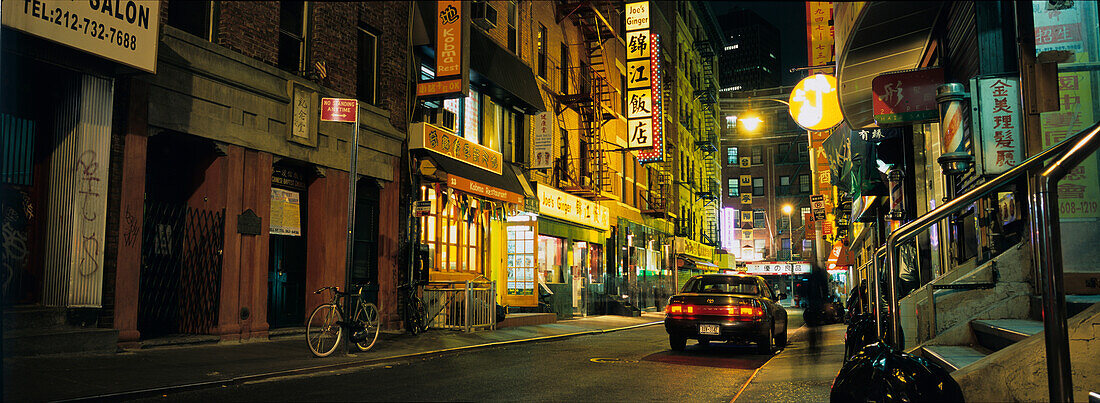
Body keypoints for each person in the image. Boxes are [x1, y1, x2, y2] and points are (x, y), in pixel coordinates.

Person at [804, 264, 830, 357]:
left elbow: (824, 289)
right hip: (816, 304)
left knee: (814, 325)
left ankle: (813, 344)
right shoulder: (815, 276)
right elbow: (825, 289)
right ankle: (815, 343)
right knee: (815, 325)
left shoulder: (812, 276)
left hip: (814, 304)